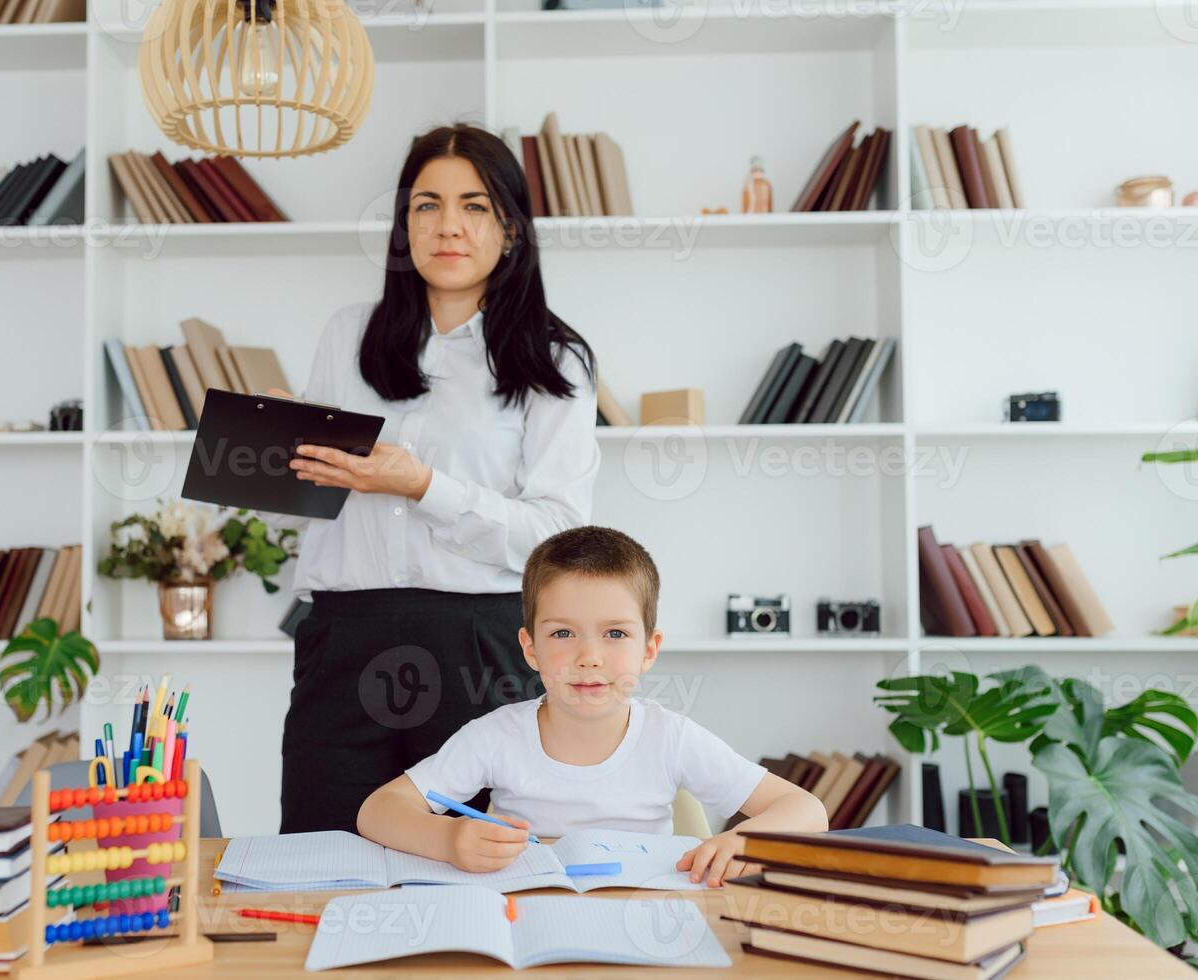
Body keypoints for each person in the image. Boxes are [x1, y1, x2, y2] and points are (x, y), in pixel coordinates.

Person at [276, 124, 600, 834]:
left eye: (474, 206)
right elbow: (318, 498)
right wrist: (276, 460)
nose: (448, 225)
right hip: (342, 638)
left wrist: (424, 486)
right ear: (404, 225)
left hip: (474, 644)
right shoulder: (346, 334)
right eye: (426, 205)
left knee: (477, 861)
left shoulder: (553, 361)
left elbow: (558, 537)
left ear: (512, 228)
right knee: (318, 856)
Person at [356, 526, 829, 886]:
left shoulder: (671, 737)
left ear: (649, 649)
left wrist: (743, 840)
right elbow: (378, 810)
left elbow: (806, 809)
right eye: (562, 633)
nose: (589, 657)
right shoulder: (494, 736)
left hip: (648, 920)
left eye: (616, 633)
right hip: (527, 912)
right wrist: (449, 840)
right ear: (530, 648)